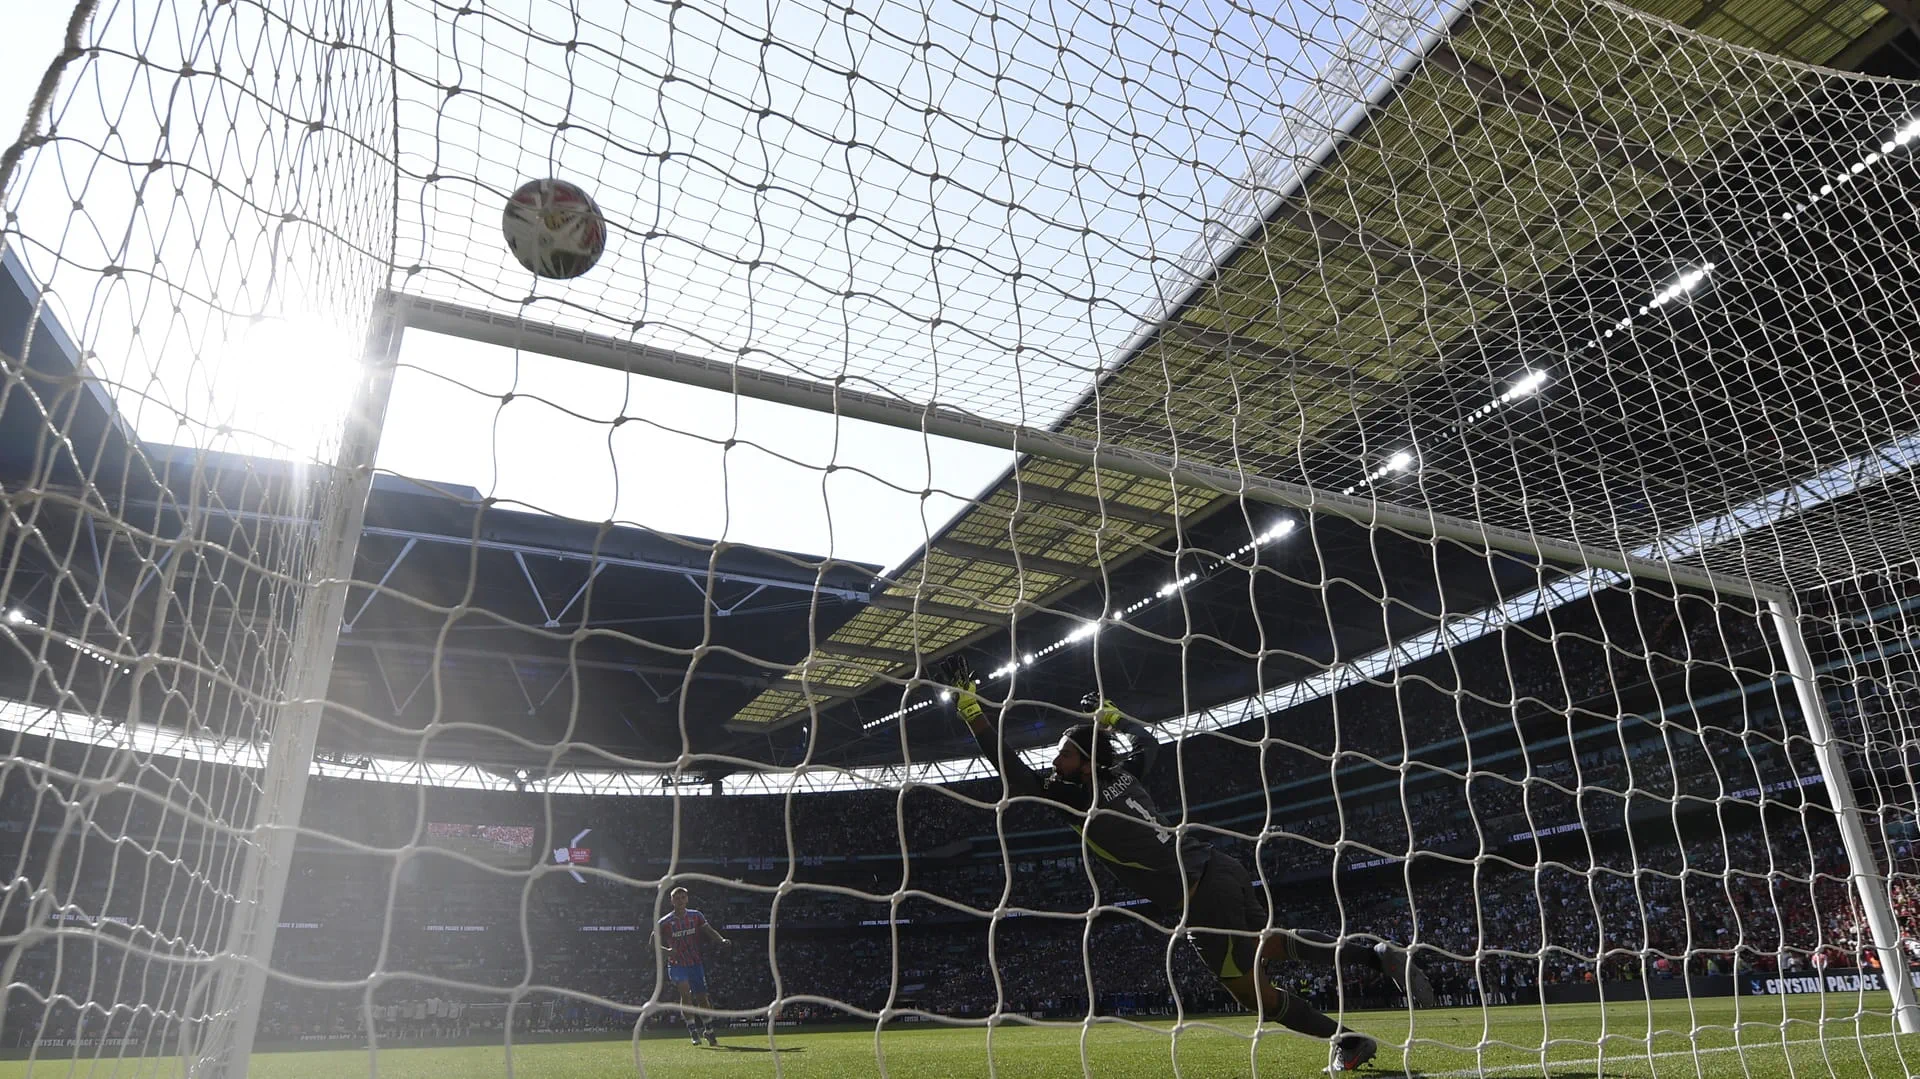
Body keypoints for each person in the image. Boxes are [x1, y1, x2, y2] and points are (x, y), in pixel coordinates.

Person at [940, 661, 1435, 1072]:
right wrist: (1115, 719)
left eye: (1064, 754)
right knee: (1272, 945)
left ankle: (1347, 1038)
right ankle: (1373, 954)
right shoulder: (1126, 775)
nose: (1055, 761)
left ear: (1085, 761)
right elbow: (1150, 746)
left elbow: (1014, 773)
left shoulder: (1076, 798)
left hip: (1197, 897)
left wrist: (972, 713)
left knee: (1252, 995)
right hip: (1219, 866)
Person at [655, 885, 732, 1046]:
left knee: (702, 998)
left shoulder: (696, 916)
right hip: (677, 964)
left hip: (695, 963)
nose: (680, 900)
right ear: (672, 901)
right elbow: (651, 943)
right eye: (677, 898)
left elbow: (709, 930)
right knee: (685, 994)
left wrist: (721, 940)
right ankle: (692, 1030)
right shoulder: (665, 922)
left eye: (683, 897)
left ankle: (709, 1030)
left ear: (687, 899)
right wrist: (667, 951)